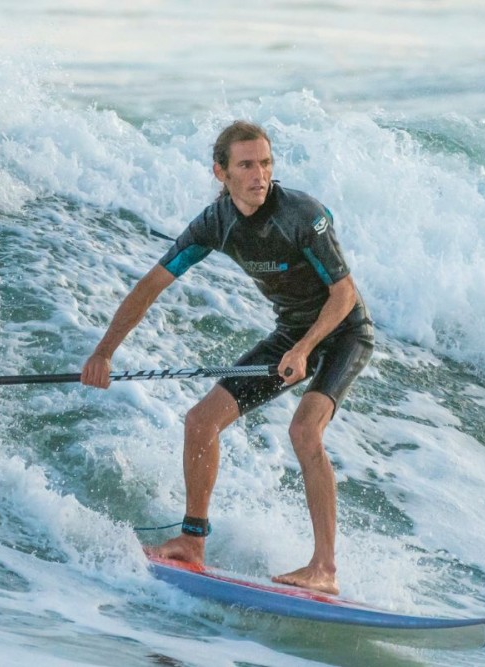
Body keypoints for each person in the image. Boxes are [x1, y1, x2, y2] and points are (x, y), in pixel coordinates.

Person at [81, 120, 373, 594]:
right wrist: (103, 353)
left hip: (343, 332)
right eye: (246, 165)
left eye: (266, 163)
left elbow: (344, 294)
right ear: (222, 172)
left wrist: (304, 349)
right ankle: (192, 542)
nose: (260, 175)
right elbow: (150, 286)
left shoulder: (302, 213)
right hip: (291, 333)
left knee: (304, 429)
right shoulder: (216, 223)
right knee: (200, 422)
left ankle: (324, 567)